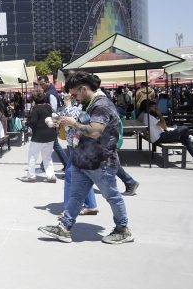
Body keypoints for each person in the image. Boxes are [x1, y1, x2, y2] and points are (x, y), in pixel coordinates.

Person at [39, 71, 134, 244]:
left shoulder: (101, 104)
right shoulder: (91, 103)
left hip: (101, 161)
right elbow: (84, 124)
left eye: (75, 94)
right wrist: (64, 122)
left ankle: (123, 229)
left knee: (112, 196)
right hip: (84, 159)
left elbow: (95, 131)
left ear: (83, 89)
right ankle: (65, 227)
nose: (74, 98)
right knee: (76, 196)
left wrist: (72, 123)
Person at [60, 93, 98, 215]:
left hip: (78, 144)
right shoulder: (85, 105)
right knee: (84, 174)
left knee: (70, 174)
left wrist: (67, 105)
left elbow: (70, 120)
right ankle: (91, 205)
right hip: (78, 143)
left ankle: (68, 209)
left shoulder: (75, 108)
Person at [138, 99, 193, 164]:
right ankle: (190, 138)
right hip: (160, 137)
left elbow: (162, 126)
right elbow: (164, 126)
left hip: (159, 136)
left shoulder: (145, 116)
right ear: (149, 107)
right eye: (154, 106)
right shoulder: (149, 117)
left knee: (185, 139)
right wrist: (159, 114)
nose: (156, 108)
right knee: (185, 128)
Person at [22, 88, 57, 182]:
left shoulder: (35, 109)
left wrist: (26, 123)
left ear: (33, 99)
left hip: (38, 136)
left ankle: (31, 175)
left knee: (32, 156)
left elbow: (33, 122)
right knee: (47, 157)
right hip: (50, 135)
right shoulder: (48, 107)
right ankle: (51, 176)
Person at [37, 75, 68, 168]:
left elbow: (54, 110)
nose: (41, 86)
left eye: (42, 84)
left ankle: (66, 165)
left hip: (51, 123)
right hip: (51, 123)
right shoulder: (50, 92)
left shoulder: (50, 94)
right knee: (50, 145)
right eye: (40, 85)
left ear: (47, 82)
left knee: (54, 144)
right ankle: (44, 165)